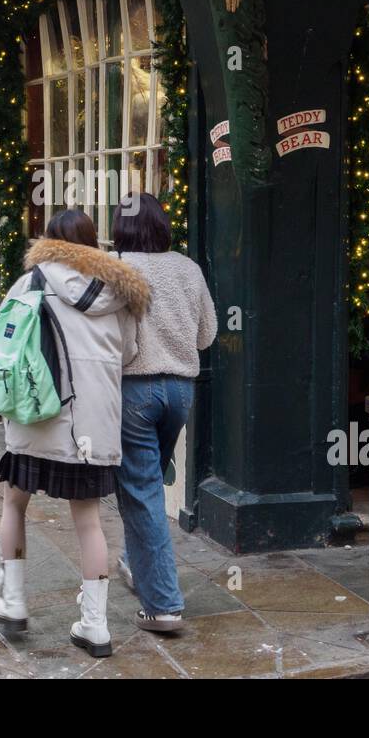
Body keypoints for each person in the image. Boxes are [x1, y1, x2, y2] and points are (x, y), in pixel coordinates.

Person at [0, 209, 149, 658]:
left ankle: (15, 601)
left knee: (14, 502)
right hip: (93, 424)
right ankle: (95, 627)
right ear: (92, 243)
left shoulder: (30, 283)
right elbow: (131, 355)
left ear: (51, 241)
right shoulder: (121, 291)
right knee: (89, 520)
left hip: (37, 413)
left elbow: (0, 343)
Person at [110, 192, 216, 635]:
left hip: (135, 389)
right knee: (148, 483)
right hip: (180, 391)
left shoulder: (117, 270)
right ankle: (136, 565)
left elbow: (112, 338)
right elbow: (207, 334)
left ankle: (163, 605)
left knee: (142, 490)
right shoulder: (188, 268)